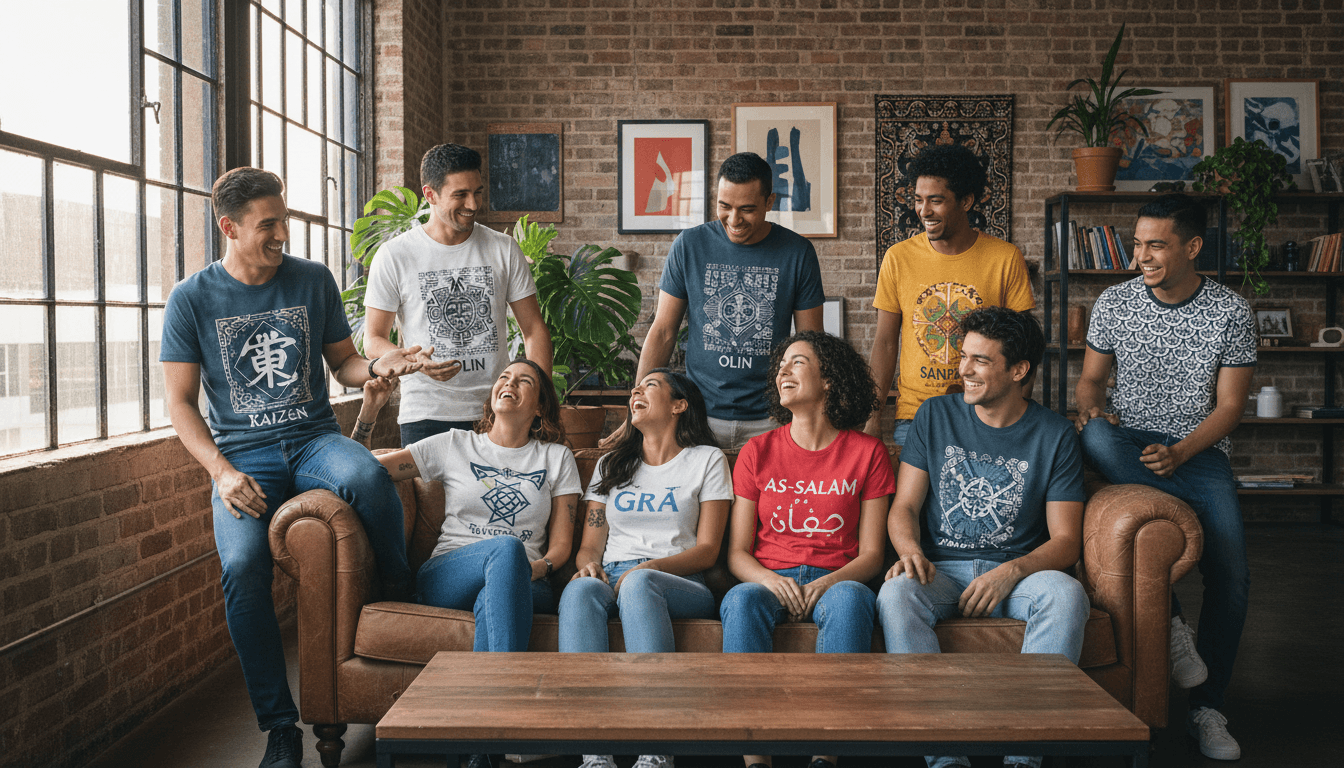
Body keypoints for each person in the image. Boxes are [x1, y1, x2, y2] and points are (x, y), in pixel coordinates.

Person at [160, 167, 421, 768]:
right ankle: (280, 728)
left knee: (366, 476)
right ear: (229, 227)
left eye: (284, 220)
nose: (282, 234)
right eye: (268, 225)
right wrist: (222, 473)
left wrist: (381, 367)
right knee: (242, 567)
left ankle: (398, 586)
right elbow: (179, 403)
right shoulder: (192, 299)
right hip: (242, 456)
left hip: (312, 441)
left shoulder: (311, 279)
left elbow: (345, 364)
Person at [1074, 194, 1255, 761]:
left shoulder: (1231, 311)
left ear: (1192, 247)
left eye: (1156, 245)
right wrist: (1092, 407)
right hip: (1126, 445)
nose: (1141, 257)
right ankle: (1174, 622)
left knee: (1232, 576)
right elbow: (1090, 382)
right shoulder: (1114, 302)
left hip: (1198, 453)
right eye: (1137, 245)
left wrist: (1179, 453)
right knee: (1094, 435)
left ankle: (1208, 708)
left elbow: (1230, 407)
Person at [877, 306, 1089, 768]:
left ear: (1018, 370)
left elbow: (1065, 540)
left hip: (1018, 576)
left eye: (980, 360)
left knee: (1067, 594)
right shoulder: (934, 416)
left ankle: (1023, 759)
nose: (964, 370)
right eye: (964, 356)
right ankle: (946, 759)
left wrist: (1011, 572)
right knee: (895, 594)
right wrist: (910, 552)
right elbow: (905, 506)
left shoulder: (1054, 435)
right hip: (940, 571)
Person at [720, 331, 894, 768]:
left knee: (852, 599)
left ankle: (824, 756)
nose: (783, 370)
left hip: (837, 579)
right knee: (740, 600)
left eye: (797, 362)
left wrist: (827, 583)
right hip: (768, 578)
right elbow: (737, 552)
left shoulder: (868, 453)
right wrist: (770, 580)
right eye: (781, 364)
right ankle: (756, 760)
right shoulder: (756, 451)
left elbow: (872, 554)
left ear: (829, 378)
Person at [559, 369, 732, 768]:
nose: (636, 389)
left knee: (639, 584)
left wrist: (647, 569)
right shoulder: (610, 464)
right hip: (613, 573)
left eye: (650, 385)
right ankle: (594, 755)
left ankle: (656, 751)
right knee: (579, 591)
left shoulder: (706, 460)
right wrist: (588, 567)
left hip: (678, 579)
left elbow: (707, 550)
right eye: (636, 386)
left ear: (679, 405)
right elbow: (589, 546)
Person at [370, 359, 579, 649]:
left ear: (540, 407)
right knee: (507, 548)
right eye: (504, 376)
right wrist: (369, 413)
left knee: (495, 589)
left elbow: (562, 544)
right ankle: (503, 679)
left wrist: (538, 568)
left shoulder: (556, 458)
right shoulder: (455, 444)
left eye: (524, 381)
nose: (510, 382)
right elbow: (370, 471)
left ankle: (487, 680)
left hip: (528, 579)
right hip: (450, 574)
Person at [632, 152, 826, 451]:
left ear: (769, 202)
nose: (734, 220)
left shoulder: (797, 252)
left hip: (772, 418)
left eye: (747, 209)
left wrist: (813, 418)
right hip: (697, 415)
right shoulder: (689, 245)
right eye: (725, 206)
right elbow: (663, 332)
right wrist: (635, 414)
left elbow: (809, 342)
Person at [364, 142, 553, 447]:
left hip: (497, 410)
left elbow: (534, 330)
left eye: (478, 192)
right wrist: (415, 360)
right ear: (430, 194)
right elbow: (373, 339)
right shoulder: (395, 255)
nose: (473, 204)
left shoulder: (503, 249)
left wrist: (540, 400)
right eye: (460, 195)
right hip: (426, 413)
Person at [865, 143, 1034, 445]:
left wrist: (1013, 417)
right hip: (915, 416)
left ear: (966, 201)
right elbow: (886, 343)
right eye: (918, 200)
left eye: (936, 200)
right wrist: (872, 417)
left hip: (987, 413)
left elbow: (1025, 346)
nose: (924, 211)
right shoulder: (898, 258)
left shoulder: (1005, 258)